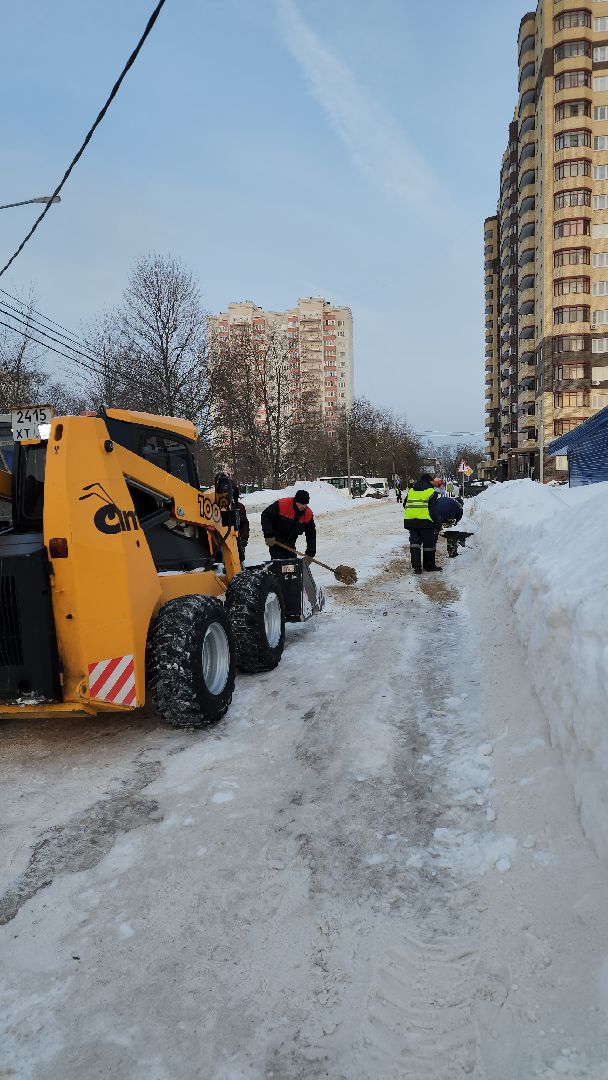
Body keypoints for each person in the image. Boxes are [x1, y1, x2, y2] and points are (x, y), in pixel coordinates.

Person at [261, 488, 316, 562]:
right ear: (295, 501)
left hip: (291, 544)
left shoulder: (308, 514)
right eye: (300, 503)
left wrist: (310, 552)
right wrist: (268, 534)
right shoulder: (282, 504)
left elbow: (311, 534)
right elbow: (266, 515)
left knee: (293, 565)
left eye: (305, 504)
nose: (302, 506)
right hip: (276, 541)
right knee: (280, 565)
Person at [403, 473, 442, 573]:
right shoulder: (431, 492)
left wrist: (414, 512)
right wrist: (438, 524)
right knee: (429, 545)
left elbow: (405, 504)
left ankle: (417, 568)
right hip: (426, 522)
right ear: (429, 481)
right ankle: (429, 567)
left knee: (415, 544)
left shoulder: (411, 490)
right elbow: (433, 511)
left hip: (411, 521)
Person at [232, 484, 250, 563]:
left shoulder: (239, 507)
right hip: (220, 541)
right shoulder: (216, 507)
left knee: (239, 560)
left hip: (237, 538)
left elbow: (244, 523)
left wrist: (244, 538)